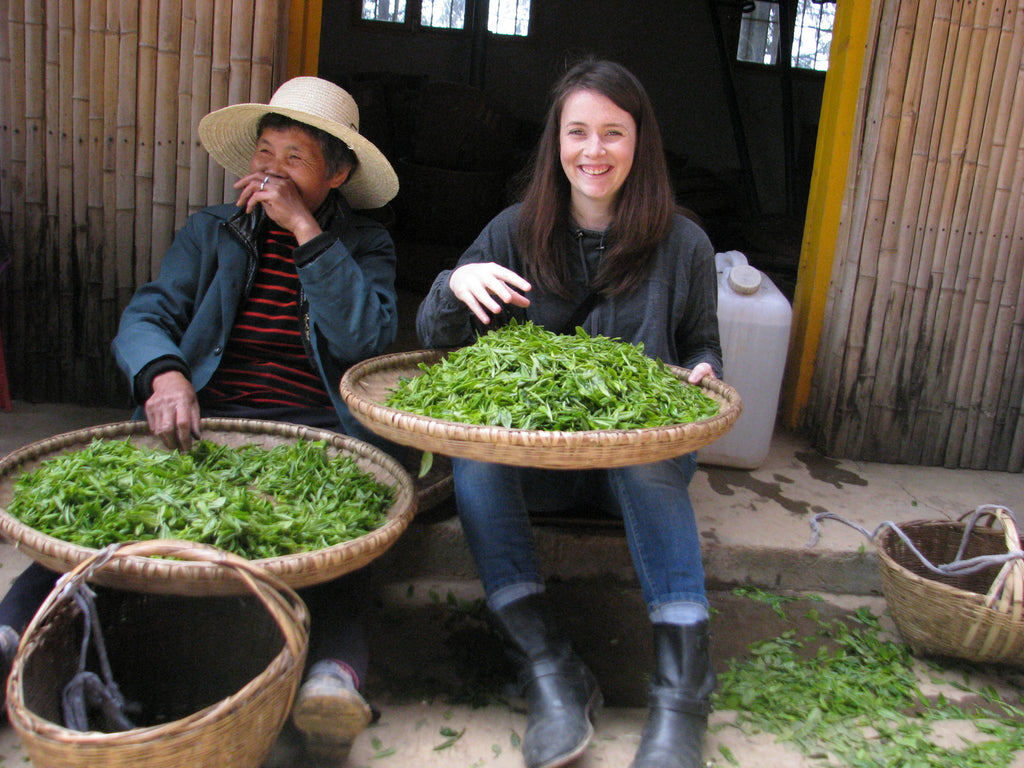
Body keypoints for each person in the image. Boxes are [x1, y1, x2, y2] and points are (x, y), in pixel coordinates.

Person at [0, 76, 401, 766]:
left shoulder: (364, 245)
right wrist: (166, 374)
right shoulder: (211, 233)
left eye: (294, 158)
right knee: (101, 519)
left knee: (338, 540)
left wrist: (305, 234)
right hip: (205, 419)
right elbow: (148, 314)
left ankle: (332, 677)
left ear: (336, 175)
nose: (270, 172)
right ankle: (9, 632)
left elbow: (366, 338)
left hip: (313, 430)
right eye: (264, 153)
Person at [415, 58, 722, 768]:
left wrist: (706, 371)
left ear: (639, 143)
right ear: (556, 141)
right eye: (578, 131)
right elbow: (438, 337)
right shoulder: (512, 232)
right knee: (477, 458)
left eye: (613, 133)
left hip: (643, 464)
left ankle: (682, 697)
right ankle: (549, 667)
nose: (594, 151)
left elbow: (702, 345)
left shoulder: (684, 244)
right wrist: (455, 283)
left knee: (641, 460)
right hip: (540, 464)